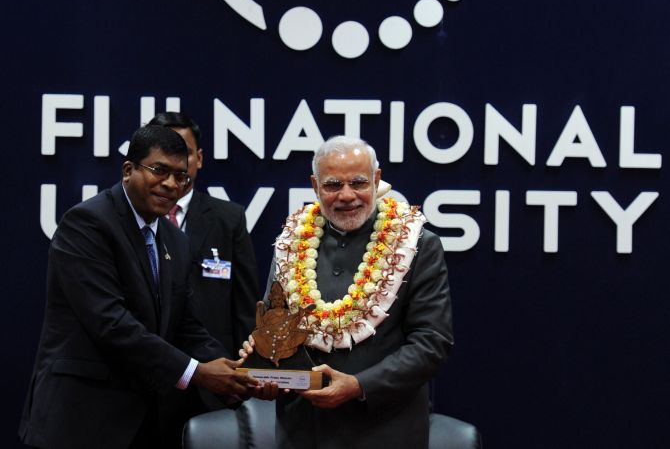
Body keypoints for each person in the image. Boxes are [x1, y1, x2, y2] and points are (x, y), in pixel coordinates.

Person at [19, 125, 270, 449]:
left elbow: (186, 326)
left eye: (181, 176)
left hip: (145, 424)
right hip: (81, 421)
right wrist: (197, 372)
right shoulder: (87, 224)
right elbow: (110, 323)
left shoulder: (175, 241)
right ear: (128, 170)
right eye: (159, 170)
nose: (170, 184)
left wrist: (237, 374)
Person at [263, 135, 454, 449]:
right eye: (333, 184)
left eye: (359, 182)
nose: (347, 195)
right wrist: (265, 363)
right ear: (315, 185)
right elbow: (276, 326)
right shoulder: (290, 242)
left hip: (384, 432)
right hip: (302, 432)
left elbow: (432, 342)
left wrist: (358, 385)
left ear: (377, 180)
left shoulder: (419, 245)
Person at [147, 111, 260, 416]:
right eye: (162, 156)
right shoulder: (134, 220)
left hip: (215, 381)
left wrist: (243, 375)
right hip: (146, 380)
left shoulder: (228, 218)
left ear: (198, 158)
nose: (174, 164)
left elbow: (246, 307)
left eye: (182, 151)